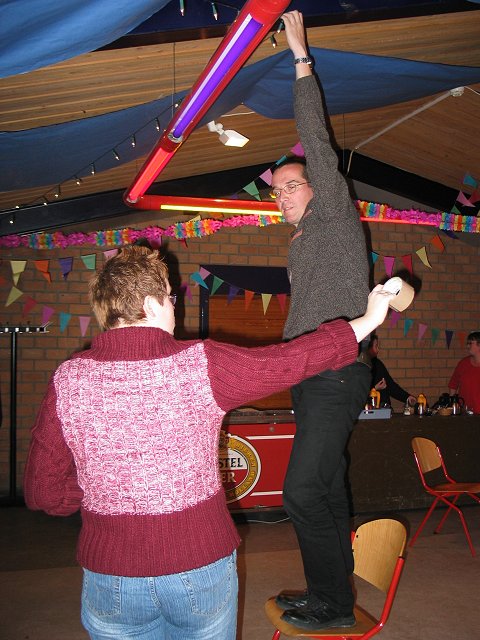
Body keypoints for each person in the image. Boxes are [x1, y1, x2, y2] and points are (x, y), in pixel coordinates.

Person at [23, 245, 393, 640]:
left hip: (110, 575)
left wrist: (98, 495)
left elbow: (42, 492)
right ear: (149, 304)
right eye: (170, 297)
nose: (174, 306)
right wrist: (368, 319)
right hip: (198, 566)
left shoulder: (68, 379)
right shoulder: (200, 364)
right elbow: (289, 360)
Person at [270, 11, 374, 631]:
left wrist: (299, 55)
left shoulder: (334, 213)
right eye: (277, 190)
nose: (281, 195)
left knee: (301, 493)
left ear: (318, 188)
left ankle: (332, 604)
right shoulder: (306, 240)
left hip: (336, 372)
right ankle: (329, 593)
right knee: (328, 490)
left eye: (291, 185)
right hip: (313, 375)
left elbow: (316, 138)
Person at [367, 334, 416, 408]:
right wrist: (374, 389)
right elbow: (357, 394)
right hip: (369, 411)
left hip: (384, 408)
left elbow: (390, 385)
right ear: (369, 348)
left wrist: (407, 397)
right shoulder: (360, 367)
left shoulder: (377, 364)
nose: (378, 350)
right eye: (376, 346)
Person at [448, 331, 480, 414]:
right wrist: (452, 404)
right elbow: (453, 384)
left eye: (470, 343)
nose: (467, 346)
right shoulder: (463, 363)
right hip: (465, 412)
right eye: (467, 343)